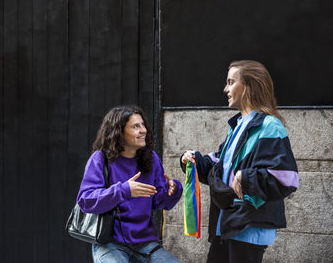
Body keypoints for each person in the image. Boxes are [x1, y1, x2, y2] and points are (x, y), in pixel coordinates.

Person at [180, 60, 299, 263]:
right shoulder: (237, 126)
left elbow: (286, 178)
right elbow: (219, 166)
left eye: (231, 82)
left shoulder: (269, 126)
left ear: (249, 86)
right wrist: (192, 160)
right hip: (228, 224)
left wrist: (246, 177)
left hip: (248, 227)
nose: (225, 88)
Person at [77, 106, 182, 263]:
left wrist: (172, 190)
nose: (143, 130)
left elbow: (159, 202)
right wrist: (123, 190)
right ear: (118, 132)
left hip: (145, 243)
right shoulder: (100, 159)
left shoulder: (151, 158)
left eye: (143, 125)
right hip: (110, 243)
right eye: (135, 126)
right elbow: (86, 200)